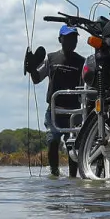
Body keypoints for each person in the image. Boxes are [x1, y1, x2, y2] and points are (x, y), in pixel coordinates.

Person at [26, 26, 88, 177]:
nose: (72, 41)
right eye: (68, 38)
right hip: (54, 111)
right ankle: (54, 174)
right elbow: (36, 79)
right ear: (60, 39)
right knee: (53, 142)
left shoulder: (82, 61)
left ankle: (73, 177)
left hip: (74, 112)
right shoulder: (51, 58)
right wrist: (31, 68)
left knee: (72, 146)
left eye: (75, 38)